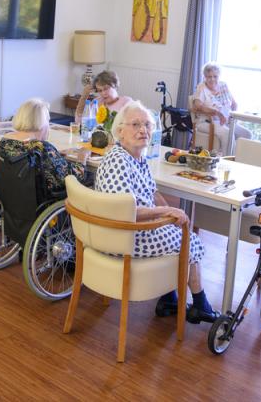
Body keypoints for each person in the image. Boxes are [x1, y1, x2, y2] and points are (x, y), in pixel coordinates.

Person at [94, 101, 219, 323]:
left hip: (131, 231)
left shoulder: (137, 157)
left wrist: (170, 213)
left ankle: (169, 299)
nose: (143, 130)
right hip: (125, 236)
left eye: (147, 125)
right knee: (191, 242)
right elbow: (124, 210)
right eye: (135, 124)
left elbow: (151, 193)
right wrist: (167, 211)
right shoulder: (118, 160)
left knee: (179, 230)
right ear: (120, 131)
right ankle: (201, 306)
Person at [0, 98, 87, 192]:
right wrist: (81, 159)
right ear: (41, 123)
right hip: (44, 202)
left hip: (14, 197)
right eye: (47, 120)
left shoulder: (5, 141)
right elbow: (73, 178)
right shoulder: (42, 148)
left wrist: (55, 155)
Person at [191, 62, 251, 153]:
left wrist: (233, 117)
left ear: (219, 76)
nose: (212, 79)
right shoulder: (202, 88)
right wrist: (218, 113)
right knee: (227, 133)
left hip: (225, 121)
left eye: (215, 76)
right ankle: (227, 161)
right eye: (209, 76)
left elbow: (234, 104)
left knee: (246, 134)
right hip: (206, 122)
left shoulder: (223, 85)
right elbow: (197, 106)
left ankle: (239, 159)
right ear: (204, 77)